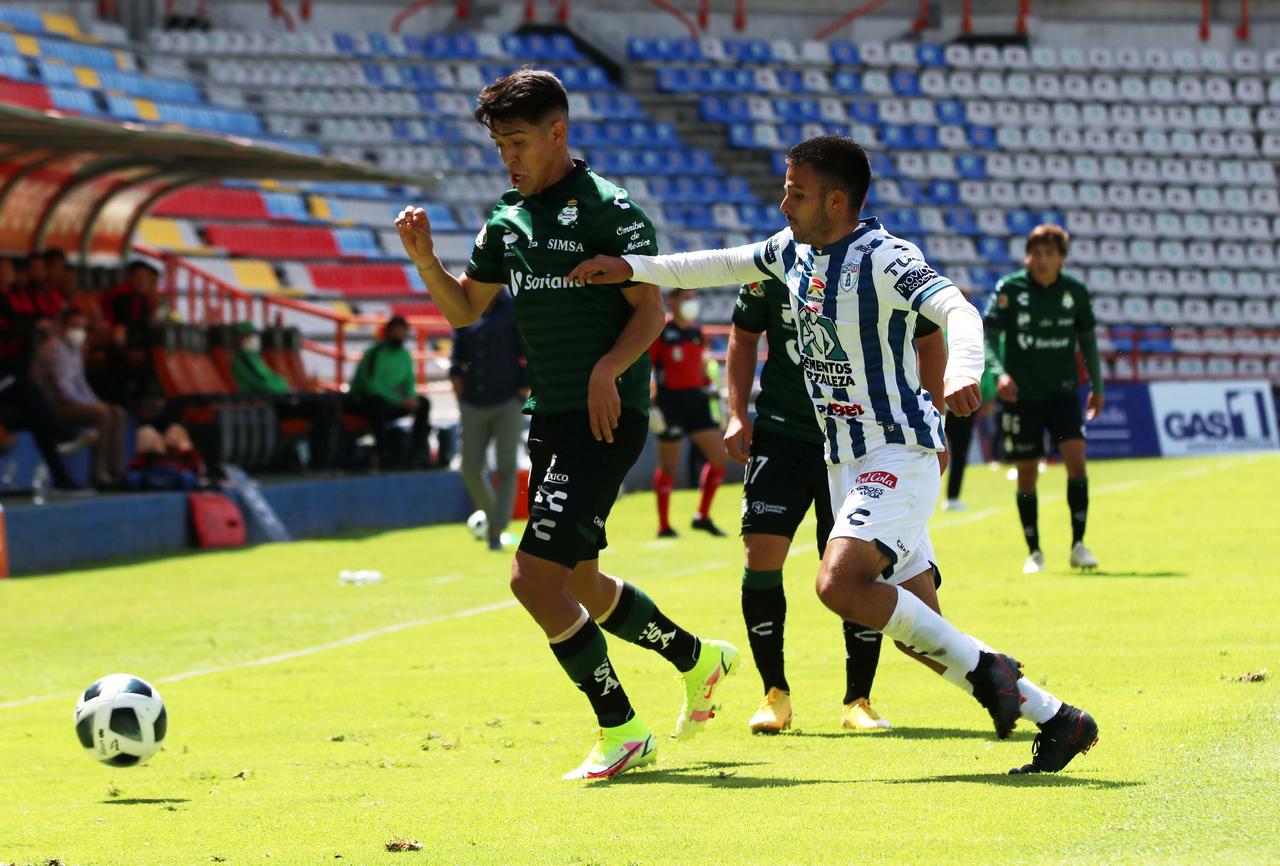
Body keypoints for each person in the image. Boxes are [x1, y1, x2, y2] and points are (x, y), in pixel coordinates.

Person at [568, 135, 1099, 774]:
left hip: (899, 451)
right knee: (923, 638)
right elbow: (714, 264)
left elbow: (957, 308)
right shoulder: (791, 251)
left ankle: (994, 677)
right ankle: (1059, 718)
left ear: (837, 199)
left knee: (838, 582)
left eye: (796, 191)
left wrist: (964, 368)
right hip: (846, 463)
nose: (783, 201)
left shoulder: (884, 257)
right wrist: (633, 268)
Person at [395, 67, 737, 780]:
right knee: (578, 580)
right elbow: (465, 309)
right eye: (498, 147)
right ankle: (696, 658)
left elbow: (652, 309)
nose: (509, 158)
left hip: (604, 418)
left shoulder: (613, 211)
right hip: (549, 416)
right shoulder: (505, 219)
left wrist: (608, 369)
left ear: (559, 133)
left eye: (518, 142)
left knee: (531, 580)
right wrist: (427, 262)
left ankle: (622, 729)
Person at [727, 274, 949, 733]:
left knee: (858, 568)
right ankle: (774, 695)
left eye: (799, 195)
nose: (790, 203)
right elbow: (743, 336)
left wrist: (933, 418)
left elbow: (930, 339)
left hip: (858, 444)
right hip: (781, 435)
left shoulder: (875, 265)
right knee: (761, 557)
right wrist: (735, 413)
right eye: (788, 195)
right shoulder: (771, 265)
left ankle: (858, 700)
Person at [984, 225, 1103, 574]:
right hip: (1022, 397)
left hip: (1063, 393)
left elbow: (1089, 341)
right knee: (1026, 473)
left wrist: (1098, 384)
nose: (1043, 260)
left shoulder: (1075, 293)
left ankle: (1079, 544)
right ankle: (1034, 551)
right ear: (1028, 255)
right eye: (1037, 252)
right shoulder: (1010, 289)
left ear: (1061, 258)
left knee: (1077, 461)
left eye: (1050, 253)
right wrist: (998, 373)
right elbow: (988, 337)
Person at [449, 290, 527, 552]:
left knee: (506, 467)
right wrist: (456, 381)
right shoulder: (465, 304)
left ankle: (496, 529)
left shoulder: (514, 307)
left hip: (507, 400)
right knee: (470, 469)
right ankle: (494, 517)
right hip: (472, 402)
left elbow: (527, 346)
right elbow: (456, 352)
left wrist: (523, 387)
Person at [648, 288, 728, 538]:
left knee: (719, 458)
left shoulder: (696, 333)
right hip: (669, 403)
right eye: (686, 298)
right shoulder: (661, 332)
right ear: (673, 301)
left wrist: (715, 391)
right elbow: (647, 367)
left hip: (697, 401)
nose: (691, 303)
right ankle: (664, 526)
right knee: (669, 467)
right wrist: (652, 403)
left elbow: (704, 368)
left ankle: (702, 516)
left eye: (693, 298)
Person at [30, 308, 128, 487]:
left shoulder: (74, 349)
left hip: (71, 402)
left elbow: (81, 384)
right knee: (102, 415)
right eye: (74, 326)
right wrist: (96, 407)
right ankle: (98, 474)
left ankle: (115, 472)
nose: (79, 332)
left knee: (117, 412)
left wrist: (97, 402)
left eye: (83, 327)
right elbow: (63, 389)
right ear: (61, 327)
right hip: (51, 405)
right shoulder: (54, 348)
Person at [230, 322, 342, 470]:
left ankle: (328, 460)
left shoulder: (252, 358)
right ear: (238, 339)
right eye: (248, 336)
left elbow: (275, 380)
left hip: (276, 399)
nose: (252, 339)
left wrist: (281, 385)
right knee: (324, 407)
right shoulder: (243, 360)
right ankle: (321, 463)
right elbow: (268, 384)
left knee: (328, 402)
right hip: (268, 403)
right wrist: (282, 386)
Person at [346, 315, 431, 469]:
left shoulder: (404, 355)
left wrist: (411, 399)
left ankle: (420, 453)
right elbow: (371, 385)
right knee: (377, 404)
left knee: (423, 403)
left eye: (402, 331)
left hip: (391, 401)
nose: (399, 335)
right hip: (364, 401)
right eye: (395, 331)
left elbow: (409, 382)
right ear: (387, 333)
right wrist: (400, 401)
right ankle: (382, 455)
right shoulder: (374, 353)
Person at [941, 342, 997, 511]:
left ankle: (952, 497)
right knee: (953, 451)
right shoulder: (969, 335)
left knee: (957, 452)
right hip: (953, 400)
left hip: (957, 400)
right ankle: (951, 498)